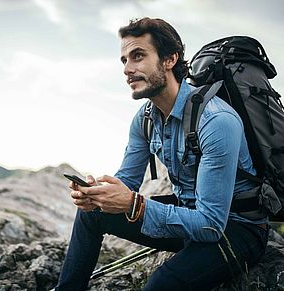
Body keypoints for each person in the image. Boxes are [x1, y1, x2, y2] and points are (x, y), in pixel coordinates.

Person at [55, 17, 268, 290]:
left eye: (138, 56)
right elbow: (127, 181)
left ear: (169, 59)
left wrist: (136, 206)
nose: (127, 69)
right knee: (92, 214)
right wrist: (97, 194)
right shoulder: (144, 118)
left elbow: (210, 225)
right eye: (124, 61)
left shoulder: (217, 121)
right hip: (188, 213)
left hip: (236, 227)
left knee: (160, 284)